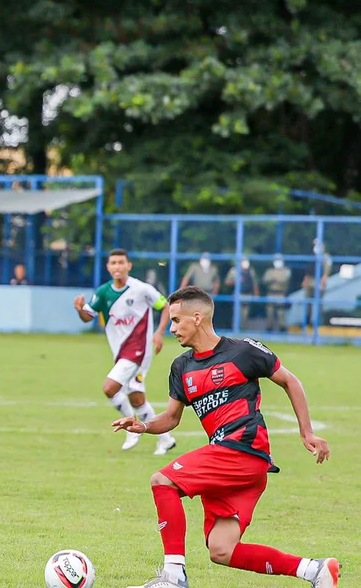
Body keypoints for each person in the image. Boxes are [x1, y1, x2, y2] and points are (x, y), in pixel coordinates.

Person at [114, 286, 338, 588]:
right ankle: (316, 570)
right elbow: (171, 418)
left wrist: (306, 431)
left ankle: (173, 576)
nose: (172, 329)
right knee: (222, 550)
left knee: (162, 481)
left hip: (243, 451)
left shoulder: (243, 351)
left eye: (176, 320)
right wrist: (143, 426)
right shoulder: (182, 366)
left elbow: (290, 381)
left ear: (197, 317)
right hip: (232, 463)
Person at [73, 249, 177, 455]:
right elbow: (88, 317)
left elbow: (165, 306)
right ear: (108, 267)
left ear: (129, 266)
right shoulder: (103, 292)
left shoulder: (141, 289)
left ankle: (132, 428)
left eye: (122, 262)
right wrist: (79, 310)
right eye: (113, 263)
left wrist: (158, 332)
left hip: (139, 350)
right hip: (121, 352)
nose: (118, 266)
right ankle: (166, 439)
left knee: (109, 388)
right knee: (137, 398)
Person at [223, 257, 259, 324]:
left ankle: (243, 329)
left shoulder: (250, 271)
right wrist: (236, 281)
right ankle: (235, 330)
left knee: (245, 314)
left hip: (247, 295)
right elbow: (227, 282)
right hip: (237, 294)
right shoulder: (234, 270)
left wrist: (256, 294)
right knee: (236, 314)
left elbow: (254, 283)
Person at [262, 254, 291, 332]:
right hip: (271, 293)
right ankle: (269, 327)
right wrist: (273, 278)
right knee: (269, 311)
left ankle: (282, 327)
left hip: (280, 293)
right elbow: (265, 280)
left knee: (280, 312)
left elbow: (284, 280)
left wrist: (276, 279)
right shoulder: (270, 271)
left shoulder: (286, 270)